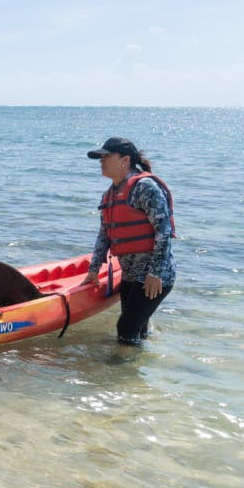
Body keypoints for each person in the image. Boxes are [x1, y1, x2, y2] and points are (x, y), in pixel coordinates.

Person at [81, 136, 176, 346]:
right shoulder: (109, 195)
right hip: (131, 274)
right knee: (136, 328)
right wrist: (93, 270)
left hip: (154, 276)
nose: (101, 161)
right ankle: (139, 368)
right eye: (100, 157)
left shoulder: (144, 187)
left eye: (106, 157)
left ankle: (122, 372)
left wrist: (155, 273)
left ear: (124, 160)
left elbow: (164, 230)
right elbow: (104, 235)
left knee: (126, 328)